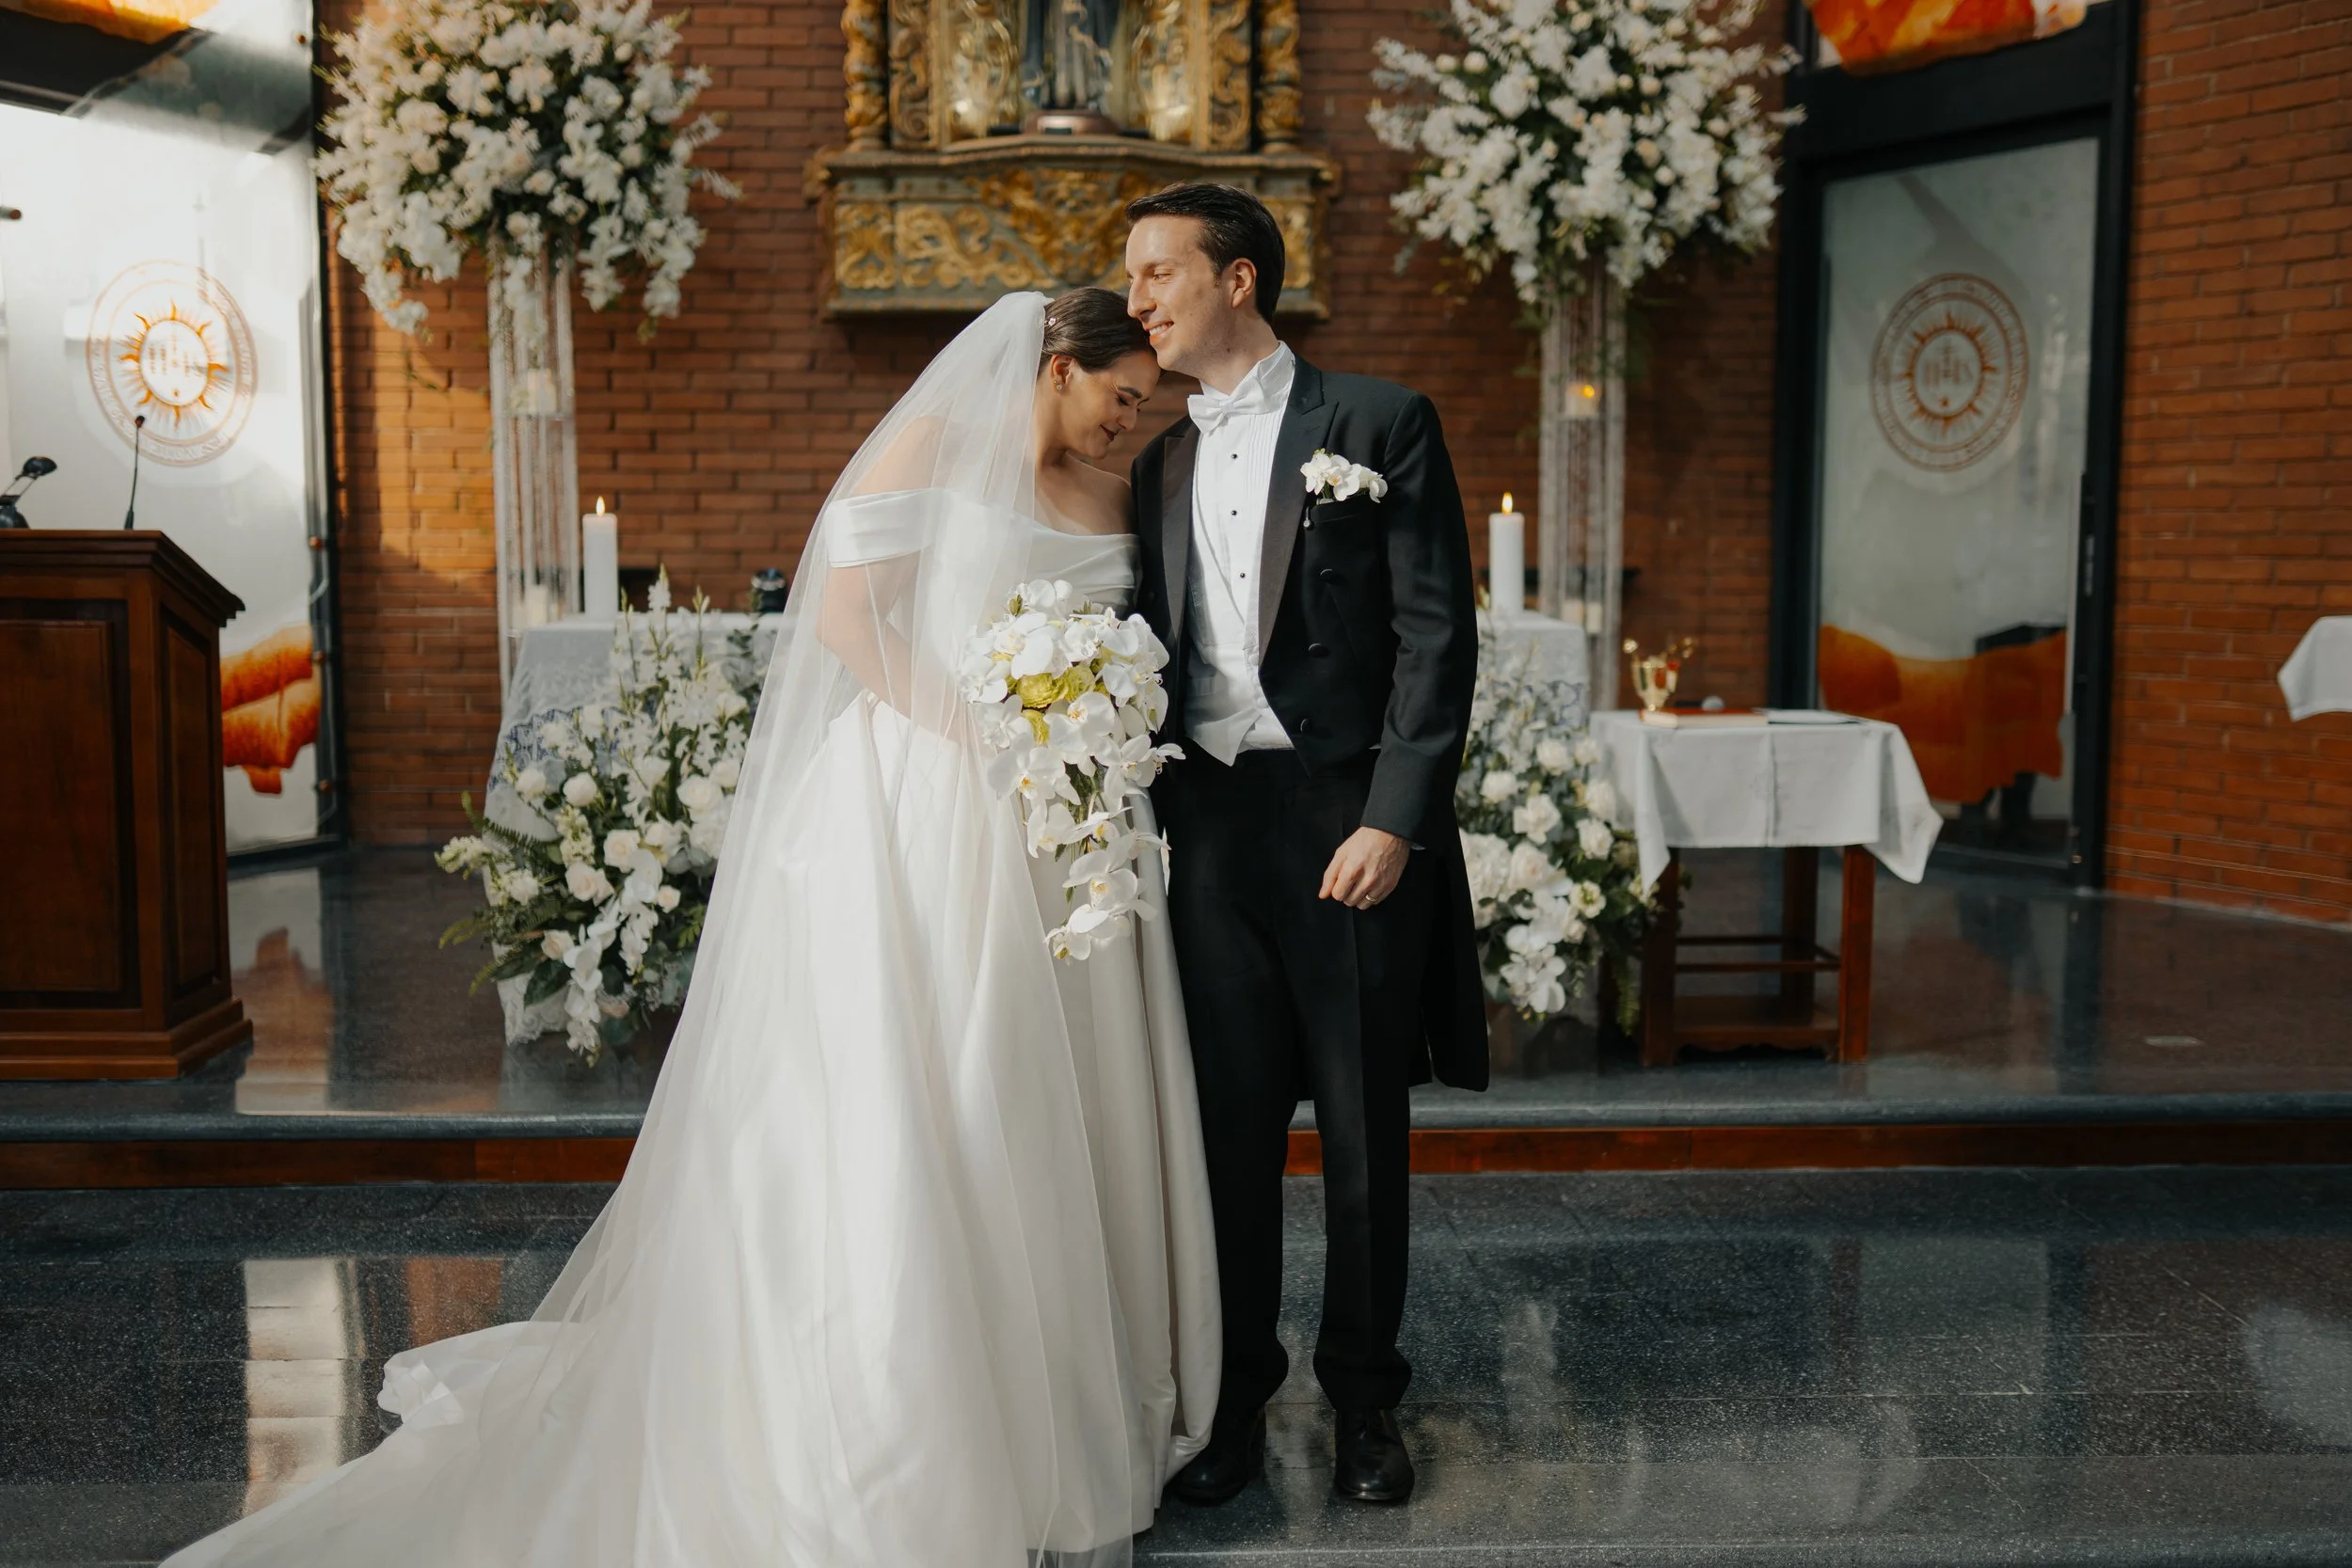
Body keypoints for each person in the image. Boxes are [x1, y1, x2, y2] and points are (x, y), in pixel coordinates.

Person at [158, 288, 1218, 1568]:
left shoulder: (1118, 493)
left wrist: (1079, 735)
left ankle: (1060, 1390)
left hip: (1068, 827)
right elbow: (844, 613)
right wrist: (981, 734)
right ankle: (904, 1415)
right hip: (931, 804)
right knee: (928, 1087)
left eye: (1145, 408)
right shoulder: (936, 445)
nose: (1130, 422)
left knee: (1058, 1102)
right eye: (1121, 395)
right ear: (1058, 366)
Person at [1123, 183, 1486, 1507]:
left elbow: (1437, 635)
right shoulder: (1156, 459)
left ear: (1239, 281)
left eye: (1159, 271)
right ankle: (1230, 1405)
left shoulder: (1379, 422)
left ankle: (1367, 1404)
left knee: (1358, 1131)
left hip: (1345, 822)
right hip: (1211, 831)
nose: (1139, 297)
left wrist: (1397, 813)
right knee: (1224, 1136)